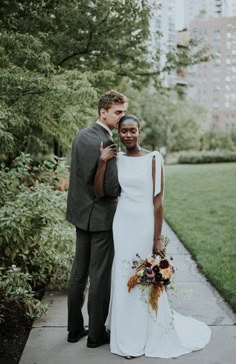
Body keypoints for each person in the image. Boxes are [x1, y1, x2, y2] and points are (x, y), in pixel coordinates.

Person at [94, 115, 211, 359]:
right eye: (124, 131)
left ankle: (145, 333)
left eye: (132, 130)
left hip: (144, 223)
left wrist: (157, 238)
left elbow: (158, 203)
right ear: (119, 133)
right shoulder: (117, 159)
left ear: (139, 131)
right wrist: (102, 162)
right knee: (124, 275)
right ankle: (125, 336)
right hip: (122, 223)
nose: (128, 135)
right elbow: (100, 191)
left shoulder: (154, 158)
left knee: (145, 276)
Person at [66, 90, 128, 348]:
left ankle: (73, 330)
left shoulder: (81, 135)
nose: (122, 117)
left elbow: (80, 176)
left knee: (78, 274)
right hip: (101, 219)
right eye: (118, 112)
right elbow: (112, 189)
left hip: (81, 215)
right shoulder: (107, 144)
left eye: (124, 112)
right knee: (99, 277)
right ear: (103, 112)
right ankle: (95, 336)